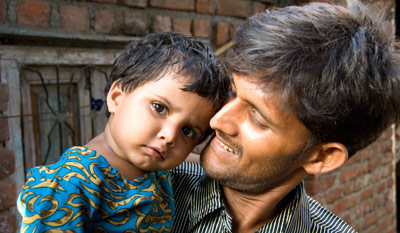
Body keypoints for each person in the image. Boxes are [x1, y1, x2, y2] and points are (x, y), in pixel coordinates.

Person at [171, 1, 400, 233]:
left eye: (258, 119)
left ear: (323, 157)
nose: (217, 121)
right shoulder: (149, 188)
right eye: (231, 91)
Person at [17, 32, 229, 232]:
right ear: (116, 97)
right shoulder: (71, 186)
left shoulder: (154, 166)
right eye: (159, 108)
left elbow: (191, 159)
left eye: (187, 130)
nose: (170, 136)